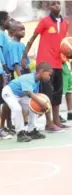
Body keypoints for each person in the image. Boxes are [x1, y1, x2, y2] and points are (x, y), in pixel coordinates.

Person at [22, 1, 69, 132]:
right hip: (45, 64)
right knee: (46, 95)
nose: (57, 6)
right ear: (49, 7)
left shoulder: (65, 23)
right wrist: (24, 56)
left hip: (59, 63)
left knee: (57, 94)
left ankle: (56, 121)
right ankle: (49, 124)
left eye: (58, 4)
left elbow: (64, 44)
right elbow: (32, 38)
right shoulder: (45, 21)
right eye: (53, 4)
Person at [2, 62, 51, 142]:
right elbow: (29, 93)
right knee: (17, 109)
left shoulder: (37, 81)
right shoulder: (29, 78)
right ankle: (20, 133)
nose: (49, 77)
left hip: (20, 95)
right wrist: (41, 103)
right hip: (9, 92)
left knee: (33, 107)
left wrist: (39, 109)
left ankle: (32, 131)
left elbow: (34, 98)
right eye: (49, 74)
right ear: (42, 72)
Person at [0, 11, 14, 136]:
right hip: (4, 69)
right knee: (6, 98)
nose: (10, 22)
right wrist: (3, 68)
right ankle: (3, 125)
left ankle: (9, 124)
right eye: (9, 20)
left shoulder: (4, 33)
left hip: (7, 68)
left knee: (9, 98)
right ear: (2, 22)